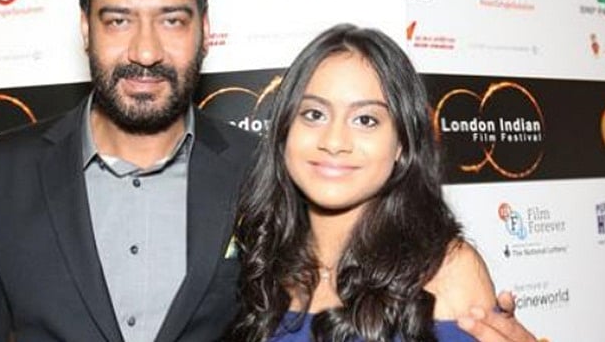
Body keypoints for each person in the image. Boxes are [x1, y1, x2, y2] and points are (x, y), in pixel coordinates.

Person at [0, 0, 536, 341]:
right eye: (118, 21)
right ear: (85, 29)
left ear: (205, 30)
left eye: (172, 20)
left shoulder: (265, 171)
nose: (145, 50)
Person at [225, 24, 537, 342]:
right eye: (315, 114)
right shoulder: (262, 263)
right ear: (284, 130)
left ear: (402, 143)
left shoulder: (445, 273)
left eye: (366, 120)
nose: (334, 141)